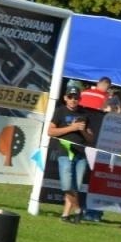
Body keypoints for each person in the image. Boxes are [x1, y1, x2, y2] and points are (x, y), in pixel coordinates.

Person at [46, 84, 93, 222]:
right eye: (70, 97)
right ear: (65, 98)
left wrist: (83, 130)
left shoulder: (84, 114)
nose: (73, 100)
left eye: (76, 98)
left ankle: (66, 215)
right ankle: (78, 209)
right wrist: (71, 127)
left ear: (80, 99)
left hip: (80, 154)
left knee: (75, 186)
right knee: (67, 185)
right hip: (65, 152)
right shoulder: (60, 111)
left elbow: (91, 138)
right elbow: (50, 131)